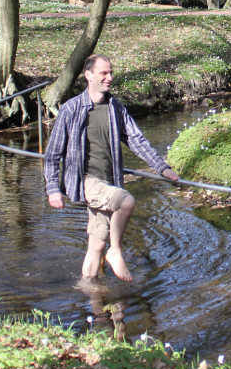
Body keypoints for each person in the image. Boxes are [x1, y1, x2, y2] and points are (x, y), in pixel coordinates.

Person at [43, 54, 179, 282]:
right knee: (126, 201)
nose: (109, 77)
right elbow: (52, 154)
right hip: (85, 181)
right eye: (103, 73)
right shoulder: (71, 109)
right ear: (88, 76)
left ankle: (89, 292)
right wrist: (53, 189)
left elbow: (137, 140)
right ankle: (115, 251)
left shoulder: (116, 107)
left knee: (96, 245)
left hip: (109, 181)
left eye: (111, 72)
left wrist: (161, 167)